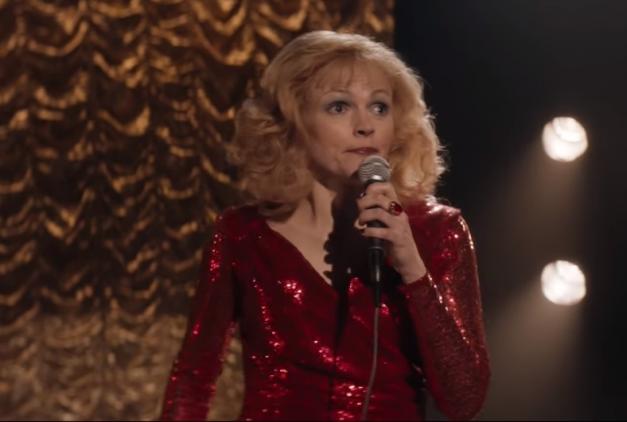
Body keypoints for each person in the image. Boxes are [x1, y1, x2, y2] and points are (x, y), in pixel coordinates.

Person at [161, 30, 490, 421]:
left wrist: (412, 267)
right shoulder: (242, 235)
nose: (365, 125)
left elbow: (464, 400)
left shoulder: (439, 232)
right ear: (292, 123)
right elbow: (193, 379)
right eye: (339, 106)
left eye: (379, 107)